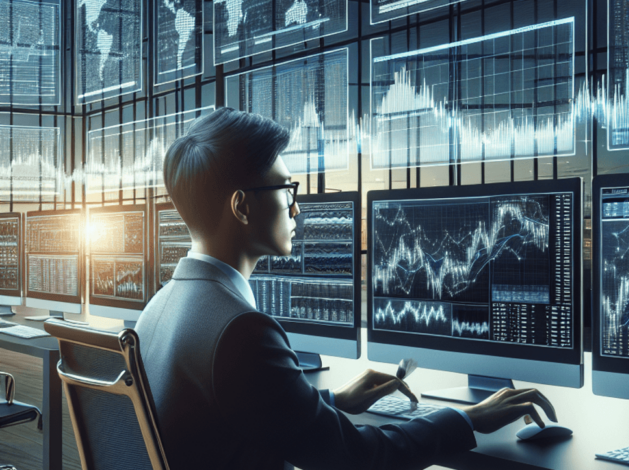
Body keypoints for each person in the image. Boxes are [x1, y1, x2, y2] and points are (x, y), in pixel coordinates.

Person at [136, 108, 557, 470]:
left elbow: (239, 411)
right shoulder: (240, 332)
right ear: (242, 206)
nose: (296, 206)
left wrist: (331, 400)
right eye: (286, 189)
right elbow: (357, 458)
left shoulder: (159, 309)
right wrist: (467, 419)